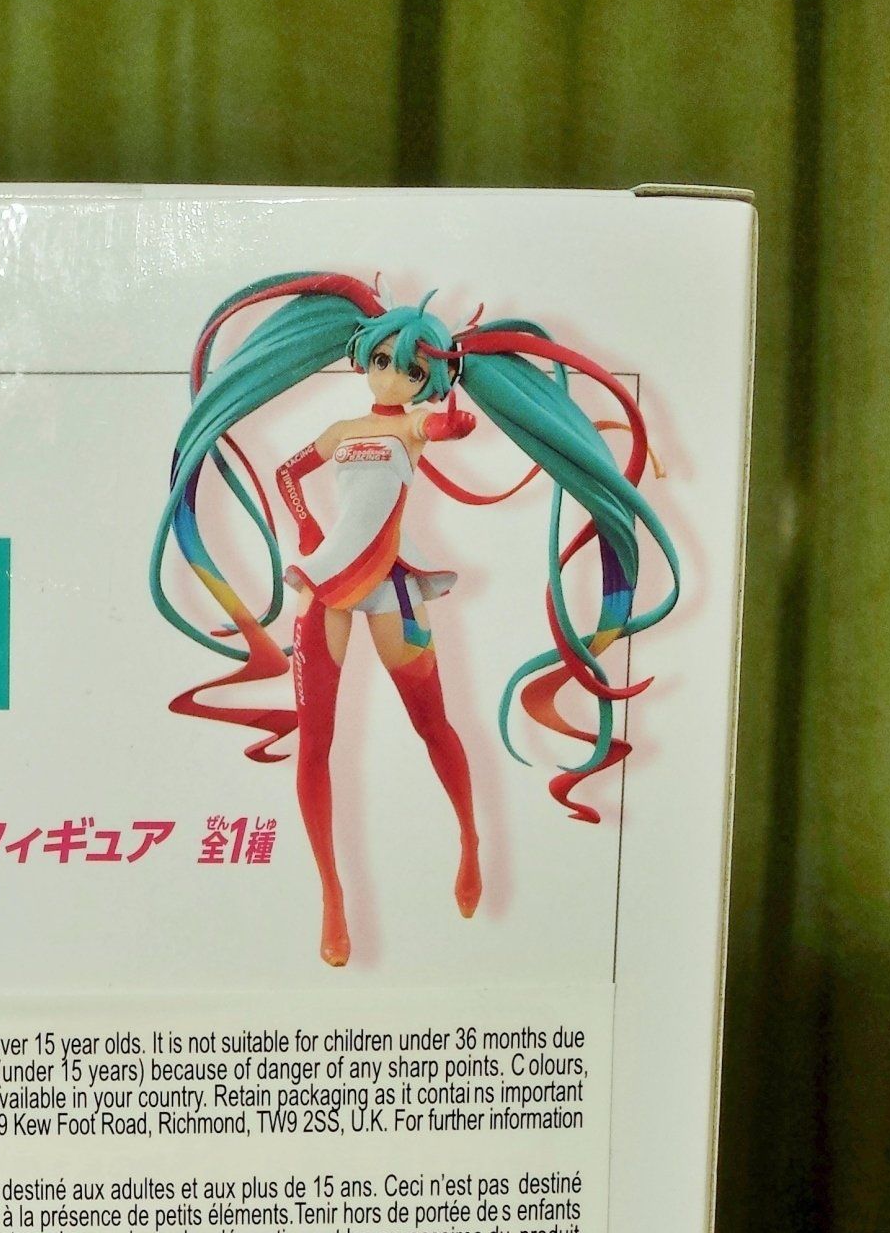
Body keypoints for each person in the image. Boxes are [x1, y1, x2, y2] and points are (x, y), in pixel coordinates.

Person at [152, 277, 679, 968]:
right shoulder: (343, 432)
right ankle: (332, 895)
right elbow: (287, 472)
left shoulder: (411, 427)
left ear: (428, 379)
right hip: (326, 585)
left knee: (433, 724)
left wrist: (451, 424)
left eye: (411, 369)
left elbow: (433, 427)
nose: (393, 376)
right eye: (383, 361)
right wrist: (306, 527)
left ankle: (469, 840)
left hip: (393, 589)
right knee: (316, 742)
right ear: (364, 358)